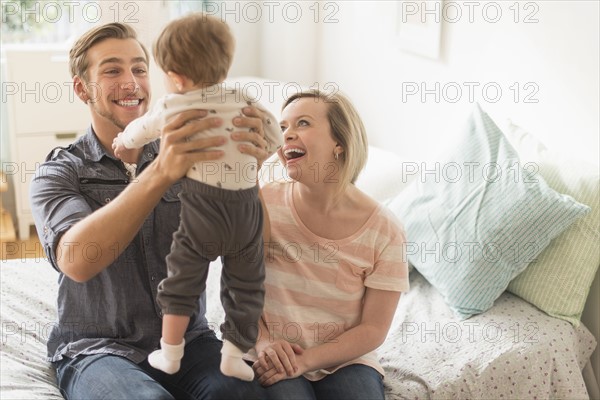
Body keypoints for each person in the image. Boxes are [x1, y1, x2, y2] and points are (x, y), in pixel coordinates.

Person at [29, 21, 269, 399]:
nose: (132, 82)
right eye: (112, 70)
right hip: (96, 349)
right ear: (81, 88)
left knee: (244, 393)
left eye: (140, 68)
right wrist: (160, 172)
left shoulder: (200, 153)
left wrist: (247, 169)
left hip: (189, 342)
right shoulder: (60, 171)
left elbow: (253, 245)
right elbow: (77, 260)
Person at [112, 13, 282, 381]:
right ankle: (235, 354)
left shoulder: (175, 105)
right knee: (247, 281)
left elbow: (141, 130)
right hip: (246, 205)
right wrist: (256, 154)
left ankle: (170, 352)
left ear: (176, 76)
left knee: (183, 277)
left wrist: (123, 141)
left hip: (204, 207)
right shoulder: (246, 102)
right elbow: (273, 136)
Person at [251, 89, 410, 399]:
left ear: (340, 142)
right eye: (282, 127)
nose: (287, 136)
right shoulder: (266, 201)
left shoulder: (385, 230)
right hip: (274, 349)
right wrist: (264, 342)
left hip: (345, 360)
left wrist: (307, 360)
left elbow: (373, 329)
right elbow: (237, 283)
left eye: (303, 123)